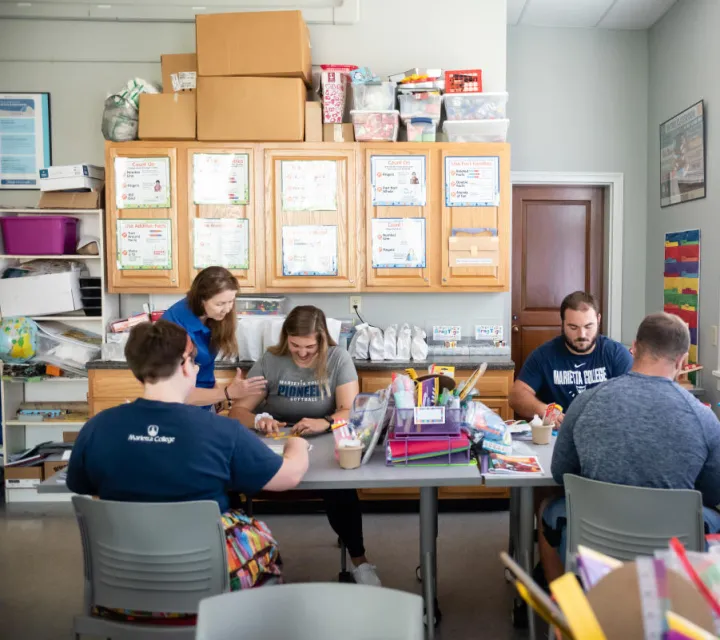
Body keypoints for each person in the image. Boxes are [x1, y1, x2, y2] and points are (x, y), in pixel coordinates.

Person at [67, 320, 310, 602]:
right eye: (195, 361)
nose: (195, 367)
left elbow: (81, 485)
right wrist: (296, 445)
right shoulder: (221, 431)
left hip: (123, 591)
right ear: (184, 365)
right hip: (207, 593)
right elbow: (288, 477)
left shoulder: (97, 427)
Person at [540, 312, 720, 582]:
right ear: (682, 361)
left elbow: (561, 473)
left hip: (595, 543)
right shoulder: (704, 418)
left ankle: (565, 612)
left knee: (547, 508)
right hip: (672, 550)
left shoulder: (586, 402)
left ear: (634, 349)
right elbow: (711, 491)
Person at [230, 305, 381, 586]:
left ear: (322, 339)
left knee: (341, 489)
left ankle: (360, 560)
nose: (302, 353)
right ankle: (239, 560)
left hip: (322, 445)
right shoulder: (271, 360)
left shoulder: (338, 359)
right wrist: (260, 418)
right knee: (230, 485)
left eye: (309, 346)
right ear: (285, 338)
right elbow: (237, 413)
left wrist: (324, 421)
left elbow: (350, 410)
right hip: (273, 446)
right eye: (295, 345)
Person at [509, 291, 632, 423]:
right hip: (558, 434)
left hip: (603, 431)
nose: (582, 334)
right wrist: (544, 410)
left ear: (599, 319)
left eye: (588, 326)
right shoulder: (544, 355)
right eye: (573, 327)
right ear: (563, 323)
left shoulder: (616, 354)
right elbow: (516, 397)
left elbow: (634, 398)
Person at [162, 266, 266, 408]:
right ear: (200, 300)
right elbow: (178, 394)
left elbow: (204, 365)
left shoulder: (213, 316)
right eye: (220, 303)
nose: (228, 309)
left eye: (231, 301)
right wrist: (227, 393)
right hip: (180, 408)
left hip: (203, 401)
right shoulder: (173, 327)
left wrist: (216, 392)